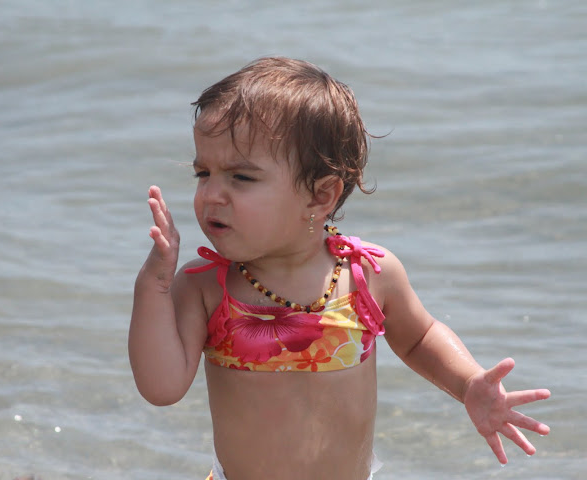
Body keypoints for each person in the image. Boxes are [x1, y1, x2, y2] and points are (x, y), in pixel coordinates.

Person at [128, 57, 551, 480]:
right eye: (203, 173)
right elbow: (162, 388)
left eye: (241, 178)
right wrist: (154, 285)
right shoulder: (206, 288)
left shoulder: (368, 275)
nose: (211, 194)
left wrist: (468, 383)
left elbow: (420, 338)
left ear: (320, 196)